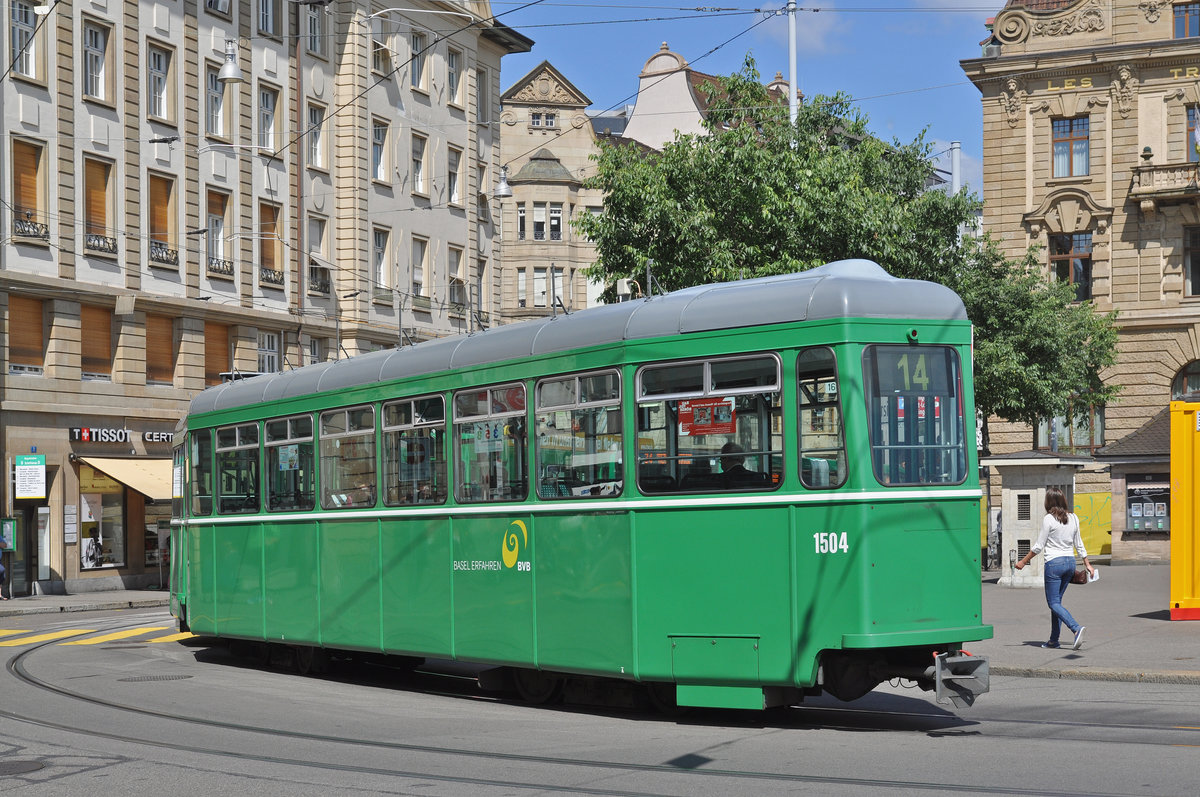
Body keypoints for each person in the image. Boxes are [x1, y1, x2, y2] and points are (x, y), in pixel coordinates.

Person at [1014, 486, 1094, 650]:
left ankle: (1075, 628)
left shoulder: (1049, 519)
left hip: (1054, 564)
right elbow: (1079, 544)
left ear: (1048, 502)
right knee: (1057, 603)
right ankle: (1053, 640)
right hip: (1070, 563)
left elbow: (1039, 546)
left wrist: (1023, 562)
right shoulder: (1074, 518)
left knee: (1053, 603)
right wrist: (1087, 564)